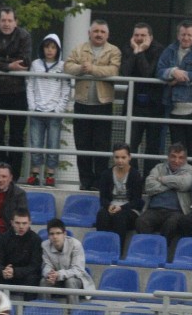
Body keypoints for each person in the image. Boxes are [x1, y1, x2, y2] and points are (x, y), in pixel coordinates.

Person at [65, 20, 122, 191]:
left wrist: (93, 69)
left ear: (108, 34)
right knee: (82, 145)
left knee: (101, 145)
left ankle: (100, 182)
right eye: (95, 31)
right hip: (82, 103)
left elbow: (114, 71)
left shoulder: (114, 51)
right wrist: (81, 69)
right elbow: (67, 66)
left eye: (102, 32)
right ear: (89, 33)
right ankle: (85, 181)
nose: (99, 34)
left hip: (103, 104)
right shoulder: (79, 49)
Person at [0, 8, 31, 178]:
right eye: (3, 20)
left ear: (15, 22)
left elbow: (24, 62)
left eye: (10, 21)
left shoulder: (24, 35)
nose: (7, 24)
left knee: (16, 137)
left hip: (18, 92)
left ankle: (13, 176)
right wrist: (9, 65)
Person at [156, 21, 192, 163]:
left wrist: (181, 77)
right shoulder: (170, 50)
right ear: (178, 36)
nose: (186, 38)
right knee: (177, 153)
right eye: (183, 34)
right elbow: (160, 70)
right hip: (173, 108)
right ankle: (178, 182)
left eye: (189, 35)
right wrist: (173, 72)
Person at [119, 23, 165, 177]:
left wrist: (139, 53)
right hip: (134, 104)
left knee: (152, 147)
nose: (139, 38)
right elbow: (125, 73)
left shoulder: (159, 50)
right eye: (136, 35)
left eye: (142, 35)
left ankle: (149, 180)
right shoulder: (128, 48)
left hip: (154, 106)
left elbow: (148, 73)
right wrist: (135, 52)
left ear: (150, 37)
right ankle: (133, 178)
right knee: (130, 144)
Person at [26, 33, 70, 188]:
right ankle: (35, 174)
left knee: (53, 145)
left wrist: (59, 109)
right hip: (37, 110)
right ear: (42, 48)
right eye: (47, 47)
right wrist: (32, 107)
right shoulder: (36, 64)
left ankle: (50, 175)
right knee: (36, 143)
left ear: (57, 50)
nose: (50, 50)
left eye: (53, 47)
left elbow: (66, 89)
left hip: (54, 112)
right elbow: (30, 85)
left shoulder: (62, 66)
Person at [135, 142, 192, 243]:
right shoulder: (158, 168)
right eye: (173, 157)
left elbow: (185, 184)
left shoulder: (190, 169)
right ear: (168, 157)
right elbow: (149, 186)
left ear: (185, 159)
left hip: (177, 212)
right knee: (141, 221)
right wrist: (174, 183)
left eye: (181, 158)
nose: (176, 161)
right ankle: (149, 250)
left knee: (171, 224)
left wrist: (162, 179)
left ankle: (161, 251)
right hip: (154, 210)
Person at [95, 143, 143, 247]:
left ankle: (117, 252)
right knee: (102, 216)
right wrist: (109, 206)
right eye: (117, 157)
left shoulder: (135, 175)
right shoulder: (106, 174)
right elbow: (103, 199)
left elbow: (137, 202)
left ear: (129, 157)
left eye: (123, 157)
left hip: (129, 210)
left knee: (120, 217)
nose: (120, 160)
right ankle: (100, 249)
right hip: (111, 207)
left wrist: (121, 208)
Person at [0, 207, 41, 291]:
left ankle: (28, 304)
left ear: (29, 223)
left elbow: (35, 266)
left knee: (32, 279)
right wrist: (2, 271)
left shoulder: (36, 240)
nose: (21, 226)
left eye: (24, 223)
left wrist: (15, 272)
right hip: (5, 274)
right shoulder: (3, 238)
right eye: (17, 223)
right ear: (12, 223)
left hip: (24, 276)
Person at [41, 218, 95, 296]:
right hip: (56, 279)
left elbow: (78, 270)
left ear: (65, 234)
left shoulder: (75, 245)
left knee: (70, 281)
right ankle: (44, 308)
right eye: (52, 234)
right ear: (48, 235)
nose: (55, 237)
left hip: (76, 280)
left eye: (58, 233)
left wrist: (59, 274)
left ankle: (73, 308)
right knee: (44, 281)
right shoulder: (45, 245)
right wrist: (49, 275)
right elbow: (46, 265)